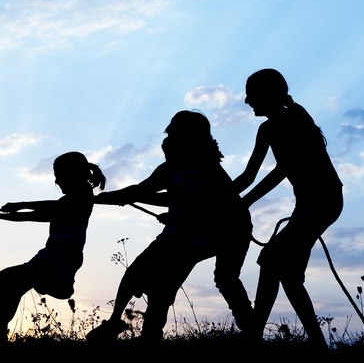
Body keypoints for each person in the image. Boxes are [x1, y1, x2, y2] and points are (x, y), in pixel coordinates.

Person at [88, 111, 253, 342]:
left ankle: (250, 329)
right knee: (151, 282)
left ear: (187, 138)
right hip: (185, 235)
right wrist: (138, 200)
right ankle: (133, 328)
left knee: (213, 281)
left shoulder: (207, 170)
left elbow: (219, 203)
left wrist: (103, 198)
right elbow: (166, 195)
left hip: (211, 235)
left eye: (173, 135)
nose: (167, 141)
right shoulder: (178, 169)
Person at [233, 69, 342, 348]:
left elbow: (283, 170)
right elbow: (248, 177)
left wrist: (243, 202)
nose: (247, 101)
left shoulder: (293, 120)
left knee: (270, 258)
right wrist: (220, 199)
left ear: (267, 94)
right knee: (287, 275)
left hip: (324, 201)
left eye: (251, 93)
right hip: (308, 204)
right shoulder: (267, 129)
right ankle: (318, 347)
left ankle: (253, 337)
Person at [0, 152, 105, 341]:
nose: (56, 180)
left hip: (58, 253)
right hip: (55, 255)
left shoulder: (83, 192)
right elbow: (31, 216)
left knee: (16, 283)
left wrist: (21, 204)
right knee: (7, 277)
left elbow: (51, 206)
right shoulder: (66, 204)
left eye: (58, 174)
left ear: (71, 173)